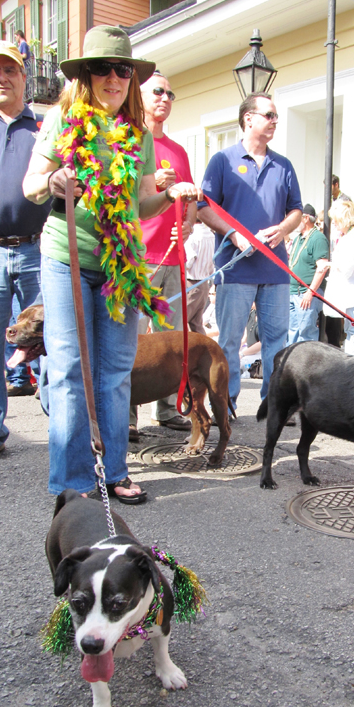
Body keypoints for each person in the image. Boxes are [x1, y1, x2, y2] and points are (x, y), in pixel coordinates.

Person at [22, 25, 199, 502]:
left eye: (123, 70)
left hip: (121, 263)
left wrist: (170, 195)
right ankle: (73, 481)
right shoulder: (62, 120)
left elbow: (143, 201)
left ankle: (115, 471)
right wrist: (54, 181)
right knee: (69, 370)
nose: (114, 78)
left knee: (117, 370)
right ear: (87, 76)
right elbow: (31, 184)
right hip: (68, 258)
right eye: (103, 69)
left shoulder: (137, 135)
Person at [197, 91, 302, 406]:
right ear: (248, 119)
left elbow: (296, 210)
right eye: (268, 115)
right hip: (236, 268)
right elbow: (203, 207)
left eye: (275, 116)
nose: (274, 121)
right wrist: (233, 234)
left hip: (275, 271)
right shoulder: (222, 161)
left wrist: (283, 229)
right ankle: (225, 403)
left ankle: (272, 405)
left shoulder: (283, 165)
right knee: (229, 342)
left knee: (276, 342)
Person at [0, 41, 51, 463]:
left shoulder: (43, 128)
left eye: (10, 70)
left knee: (52, 345)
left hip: (39, 251)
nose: (2, 77)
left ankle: (63, 429)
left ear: (24, 77)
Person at [128, 70, 196, 437]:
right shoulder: (132, 142)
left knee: (171, 341)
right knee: (134, 343)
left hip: (173, 259)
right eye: (157, 91)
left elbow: (192, 199)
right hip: (139, 258)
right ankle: (127, 417)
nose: (165, 98)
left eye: (171, 93)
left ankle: (168, 408)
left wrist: (188, 224)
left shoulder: (179, 151)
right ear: (140, 96)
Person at [322, 200, 354, 356]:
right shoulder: (348, 235)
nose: (335, 224)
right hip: (350, 290)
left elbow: (346, 268)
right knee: (350, 331)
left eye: (336, 220)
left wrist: (330, 265)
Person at [287, 203, 330, 344]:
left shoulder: (318, 238)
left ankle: (306, 365)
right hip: (293, 292)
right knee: (291, 331)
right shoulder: (298, 238)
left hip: (306, 293)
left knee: (306, 333)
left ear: (305, 219)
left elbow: (322, 268)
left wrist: (310, 292)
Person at [184, 220, 215, 335]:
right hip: (204, 283)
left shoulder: (191, 235)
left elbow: (188, 261)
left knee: (181, 322)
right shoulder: (210, 234)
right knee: (196, 324)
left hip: (192, 283)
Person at [14, 30, 32, 102]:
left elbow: (24, 55)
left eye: (15, 37)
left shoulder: (23, 44)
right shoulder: (21, 45)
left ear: (18, 35)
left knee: (25, 83)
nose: (15, 39)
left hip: (26, 67)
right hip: (24, 67)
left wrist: (16, 56)